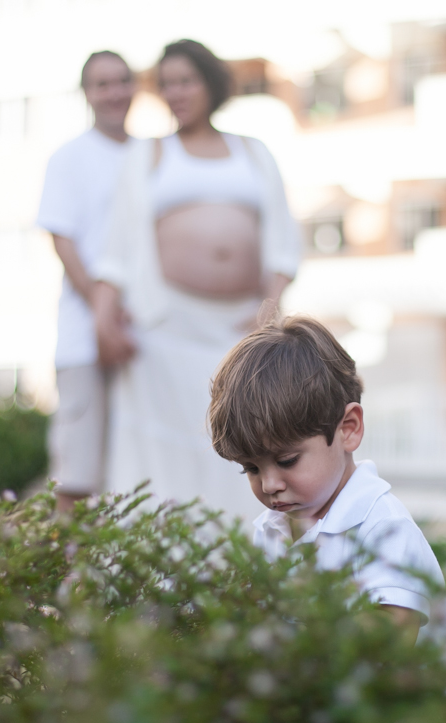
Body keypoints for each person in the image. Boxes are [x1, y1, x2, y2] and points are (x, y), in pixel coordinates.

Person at [92, 39, 300, 521]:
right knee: (165, 448)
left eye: (185, 80)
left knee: (239, 439)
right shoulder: (149, 156)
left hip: (238, 330)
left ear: (210, 82)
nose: (175, 92)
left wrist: (268, 311)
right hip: (164, 328)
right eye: (165, 84)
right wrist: (104, 318)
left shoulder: (252, 152)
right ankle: (163, 570)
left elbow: (285, 240)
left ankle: (236, 565)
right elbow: (117, 247)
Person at [207, 316, 446, 646]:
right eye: (250, 469)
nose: (269, 485)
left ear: (348, 429)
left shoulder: (382, 528)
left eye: (286, 461)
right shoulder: (271, 530)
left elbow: (390, 640)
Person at [36, 51, 135, 514]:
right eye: (102, 84)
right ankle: (71, 583)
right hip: (85, 342)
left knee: (135, 473)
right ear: (87, 94)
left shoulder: (151, 155)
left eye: (122, 81)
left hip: (143, 339)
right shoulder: (69, 158)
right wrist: (104, 312)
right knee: (78, 476)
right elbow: (64, 240)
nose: (114, 92)